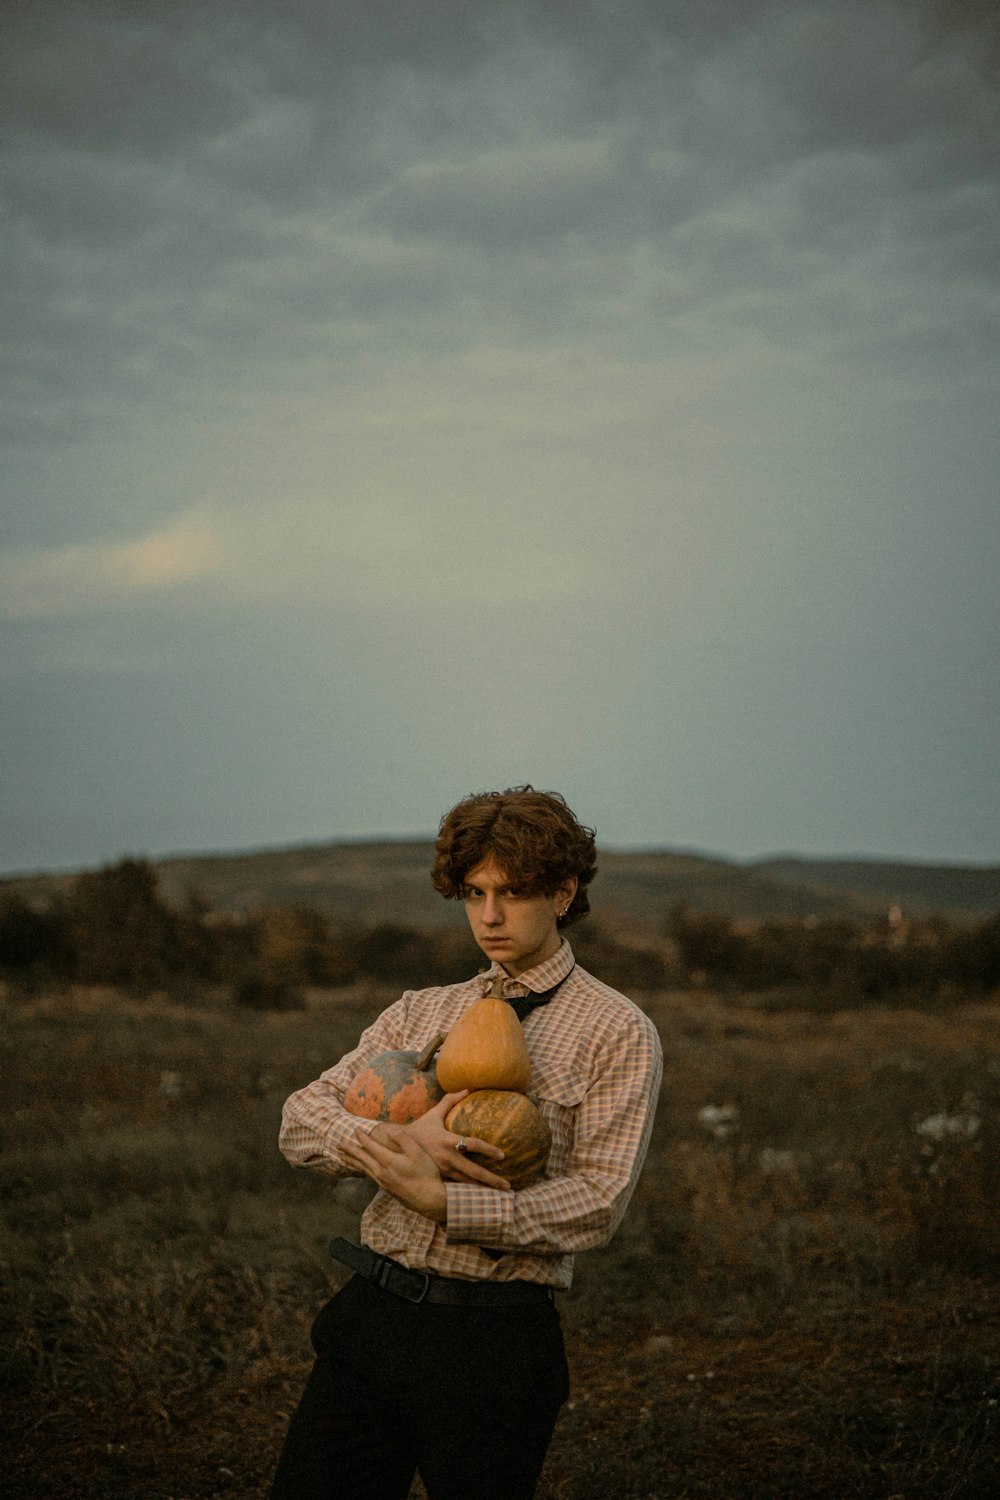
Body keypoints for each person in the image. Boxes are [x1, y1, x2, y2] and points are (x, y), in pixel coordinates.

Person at [270, 786, 663, 1500]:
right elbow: (301, 1118)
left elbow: (598, 1202)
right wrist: (394, 1134)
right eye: (474, 892)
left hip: (495, 1344)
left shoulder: (618, 1030)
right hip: (372, 1319)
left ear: (564, 891)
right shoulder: (422, 1011)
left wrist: (446, 1203)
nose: (489, 916)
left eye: (512, 893)